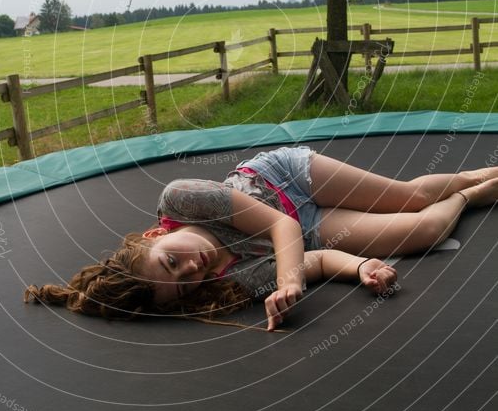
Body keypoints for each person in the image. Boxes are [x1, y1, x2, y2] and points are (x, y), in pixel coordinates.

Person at [24, 146, 498, 331]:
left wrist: (288, 281)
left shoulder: (182, 199)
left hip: (289, 180)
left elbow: (281, 227)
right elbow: (316, 259)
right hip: (313, 229)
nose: (192, 269)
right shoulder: (228, 282)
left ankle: (481, 171)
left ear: (154, 236)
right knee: (425, 229)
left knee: (409, 197)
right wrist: (359, 268)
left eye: (172, 262)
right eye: (185, 283)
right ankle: (478, 193)